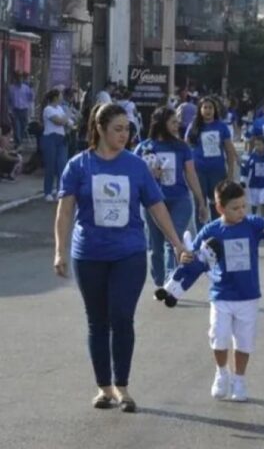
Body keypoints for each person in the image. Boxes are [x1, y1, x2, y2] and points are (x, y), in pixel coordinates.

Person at [54, 104, 184, 412]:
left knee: (122, 317)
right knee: (97, 322)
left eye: (127, 129)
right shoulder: (78, 165)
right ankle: (104, 388)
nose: (124, 135)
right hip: (89, 254)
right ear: (99, 129)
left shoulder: (136, 166)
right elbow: (65, 211)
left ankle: (123, 387)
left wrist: (176, 243)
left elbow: (157, 208)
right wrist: (59, 250)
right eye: (118, 129)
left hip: (129, 253)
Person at [183, 180, 264, 402]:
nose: (241, 212)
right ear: (220, 208)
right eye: (235, 208)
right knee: (218, 337)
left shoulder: (252, 224)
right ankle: (222, 373)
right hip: (221, 294)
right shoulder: (211, 230)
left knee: (244, 342)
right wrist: (185, 256)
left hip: (248, 295)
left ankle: (239, 379)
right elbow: (194, 256)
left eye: (243, 206)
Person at [134, 106, 208, 293]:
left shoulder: (181, 147)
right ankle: (159, 280)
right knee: (156, 247)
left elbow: (191, 174)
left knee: (172, 240)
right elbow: (133, 178)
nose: (178, 125)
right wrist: (149, 175)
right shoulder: (144, 147)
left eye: (177, 121)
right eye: (173, 122)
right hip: (153, 203)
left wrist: (200, 200)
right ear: (161, 123)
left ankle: (170, 281)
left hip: (180, 200)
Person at [186, 97, 238, 228]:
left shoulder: (221, 127)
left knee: (218, 203)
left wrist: (230, 174)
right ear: (200, 110)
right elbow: (185, 148)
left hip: (217, 171)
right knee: (200, 204)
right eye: (205, 107)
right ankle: (201, 236)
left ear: (215, 110)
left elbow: (229, 151)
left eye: (210, 107)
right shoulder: (193, 125)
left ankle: (217, 233)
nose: (208, 110)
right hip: (199, 172)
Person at [41, 89, 70, 201]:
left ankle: (60, 190)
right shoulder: (48, 109)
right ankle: (47, 192)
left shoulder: (60, 109)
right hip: (50, 138)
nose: (62, 97)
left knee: (62, 165)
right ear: (55, 97)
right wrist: (67, 116)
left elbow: (68, 122)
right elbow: (59, 121)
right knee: (50, 166)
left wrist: (70, 120)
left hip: (61, 139)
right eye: (60, 95)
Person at [244, 135, 264, 217]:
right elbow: (246, 168)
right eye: (255, 145)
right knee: (254, 203)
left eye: (259, 145)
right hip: (254, 184)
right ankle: (253, 216)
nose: (257, 147)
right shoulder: (252, 156)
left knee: (263, 202)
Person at [8, 74, 34, 146]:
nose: (19, 80)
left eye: (21, 78)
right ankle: (18, 143)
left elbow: (31, 98)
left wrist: (31, 89)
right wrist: (9, 110)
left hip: (24, 110)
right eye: (18, 78)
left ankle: (20, 141)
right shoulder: (11, 88)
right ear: (15, 79)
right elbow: (9, 100)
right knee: (16, 127)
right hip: (15, 110)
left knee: (23, 127)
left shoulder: (26, 88)